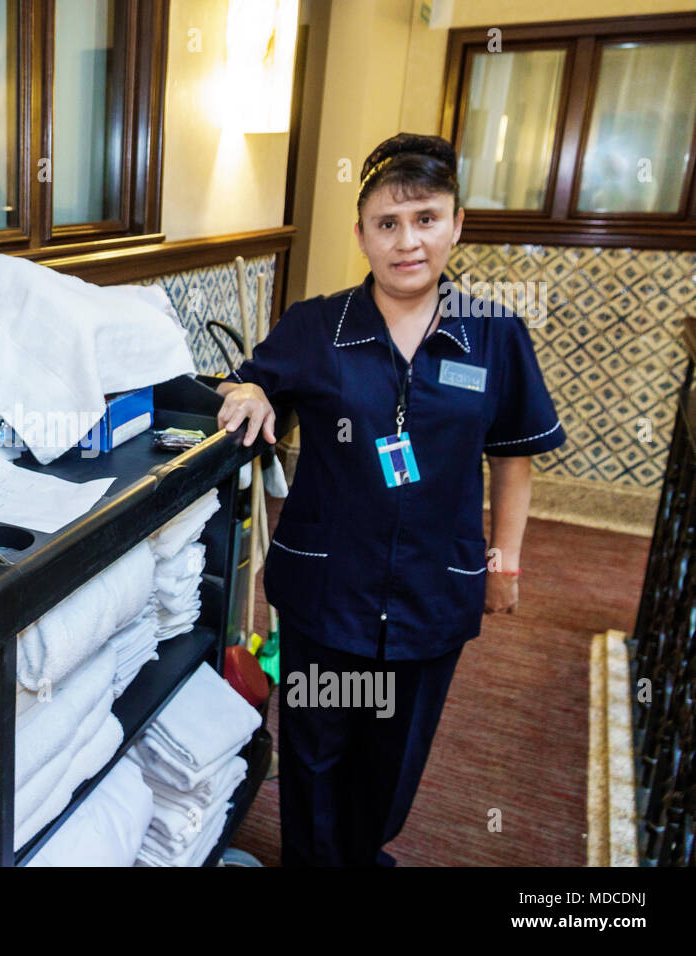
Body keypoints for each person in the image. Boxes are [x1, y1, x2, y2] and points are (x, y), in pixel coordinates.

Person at [216, 133, 565, 866]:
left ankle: (362, 850)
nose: (408, 242)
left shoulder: (495, 335)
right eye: (387, 224)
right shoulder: (318, 326)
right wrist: (247, 388)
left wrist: (506, 563)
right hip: (328, 592)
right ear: (362, 235)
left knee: (392, 761)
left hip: (434, 591)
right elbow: (250, 383)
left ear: (456, 223)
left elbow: (513, 457)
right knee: (315, 754)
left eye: (427, 219)